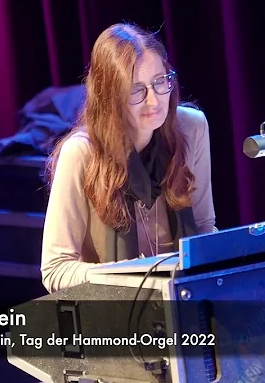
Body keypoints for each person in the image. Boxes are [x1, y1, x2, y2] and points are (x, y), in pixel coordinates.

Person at [40, 23, 217, 293]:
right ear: (110, 97)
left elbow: (204, 227)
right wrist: (131, 276)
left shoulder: (191, 128)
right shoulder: (81, 153)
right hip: (116, 316)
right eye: (137, 90)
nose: (154, 101)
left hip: (185, 301)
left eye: (160, 82)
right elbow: (55, 269)